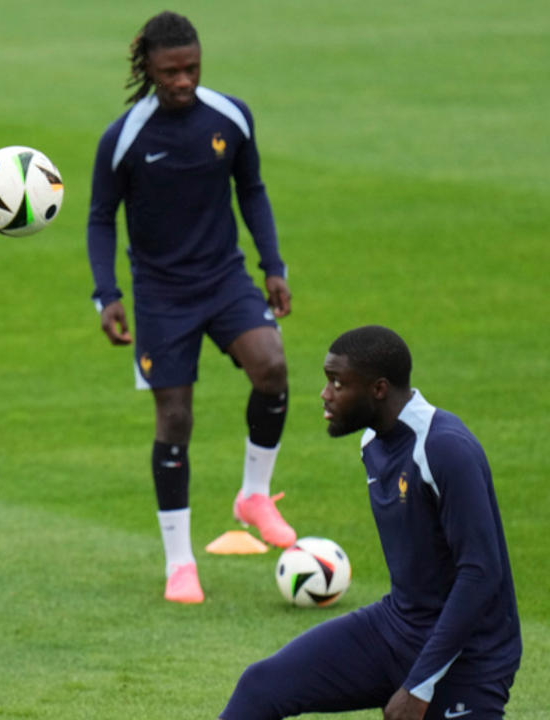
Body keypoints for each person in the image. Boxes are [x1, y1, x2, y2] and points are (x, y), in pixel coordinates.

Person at [86, 11, 295, 604]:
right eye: (171, 71)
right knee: (175, 419)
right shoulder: (124, 137)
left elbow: (251, 189)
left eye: (192, 69)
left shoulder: (230, 117)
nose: (183, 80)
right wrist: (108, 295)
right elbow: (101, 218)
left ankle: (255, 495)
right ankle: (180, 563)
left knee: (273, 367)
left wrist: (272, 266)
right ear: (147, 69)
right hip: (160, 294)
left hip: (224, 278)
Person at [221, 326, 521, 719]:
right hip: (396, 629)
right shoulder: (372, 444)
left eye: (336, 383)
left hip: (469, 657)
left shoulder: (444, 449)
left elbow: (481, 574)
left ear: (378, 389)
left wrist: (419, 684)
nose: (325, 395)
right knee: (260, 687)